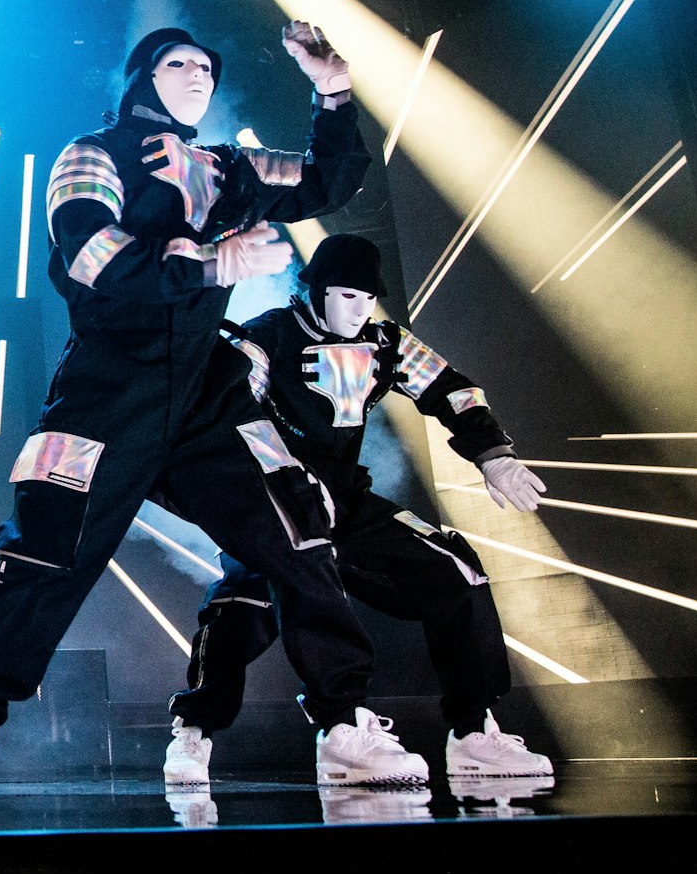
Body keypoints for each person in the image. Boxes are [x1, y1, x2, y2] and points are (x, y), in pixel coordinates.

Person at [0, 21, 430, 794]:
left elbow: (332, 180)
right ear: (141, 78)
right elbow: (89, 257)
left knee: (296, 529)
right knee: (49, 550)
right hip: (106, 388)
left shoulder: (228, 168)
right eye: (178, 63)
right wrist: (211, 260)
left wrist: (333, 91)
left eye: (206, 65)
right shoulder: (91, 154)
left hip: (206, 393)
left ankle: (342, 723)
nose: (198, 75)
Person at [163, 233, 552, 783]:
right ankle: (206, 733)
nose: (360, 309)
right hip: (277, 511)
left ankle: (473, 732)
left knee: (456, 572)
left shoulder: (385, 341)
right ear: (316, 291)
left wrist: (494, 456)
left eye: (369, 298)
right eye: (347, 296)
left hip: (347, 502)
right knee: (238, 614)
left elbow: (452, 389)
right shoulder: (264, 339)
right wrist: (290, 478)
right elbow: (233, 415)